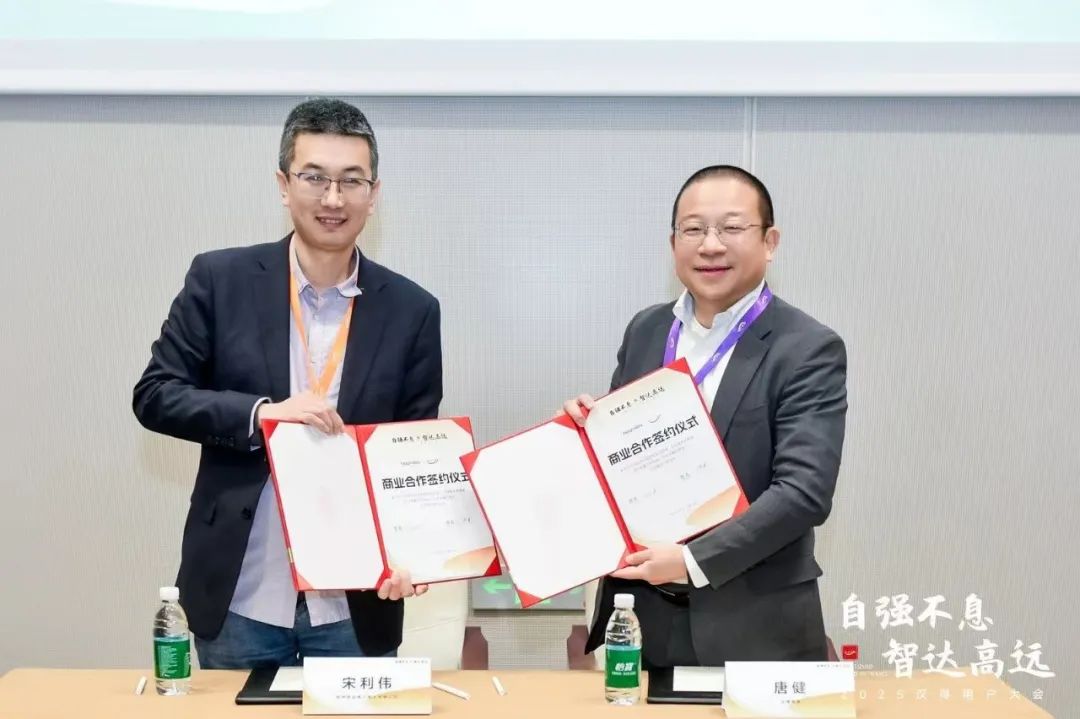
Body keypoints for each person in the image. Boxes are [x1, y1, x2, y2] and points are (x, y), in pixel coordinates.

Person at [133, 98, 442, 668]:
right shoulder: (220, 280)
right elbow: (155, 395)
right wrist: (259, 414)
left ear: (373, 194)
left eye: (351, 181)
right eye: (314, 177)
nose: (333, 199)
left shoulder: (413, 310)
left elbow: (414, 452)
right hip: (243, 597)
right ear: (283, 184)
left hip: (356, 603)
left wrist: (416, 553)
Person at [566, 165, 847, 667]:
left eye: (732, 227)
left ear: (770, 242)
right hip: (647, 618)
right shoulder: (647, 330)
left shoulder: (807, 348)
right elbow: (624, 467)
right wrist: (585, 432)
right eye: (693, 229)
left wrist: (692, 560)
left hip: (755, 627)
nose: (710, 245)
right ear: (673, 242)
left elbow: (804, 493)